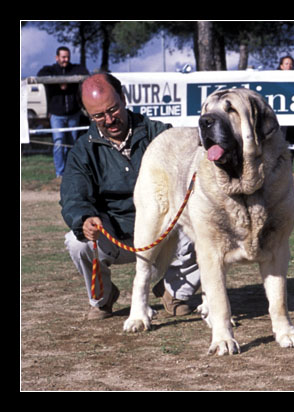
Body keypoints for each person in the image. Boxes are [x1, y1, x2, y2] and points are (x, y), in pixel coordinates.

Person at [60, 73, 201, 321]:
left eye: (113, 109)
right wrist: (84, 219)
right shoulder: (83, 149)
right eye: (99, 116)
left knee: (203, 228)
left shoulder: (160, 134)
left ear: (123, 98)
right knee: (77, 241)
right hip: (115, 234)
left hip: (163, 233)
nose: (109, 119)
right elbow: (73, 195)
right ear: (88, 115)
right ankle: (104, 298)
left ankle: (174, 291)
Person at [37, 46, 89, 178]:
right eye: (63, 57)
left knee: (72, 144)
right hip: (56, 115)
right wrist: (58, 81)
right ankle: (60, 174)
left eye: (67, 57)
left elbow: (85, 73)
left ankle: (71, 172)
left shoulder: (75, 68)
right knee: (59, 143)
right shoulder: (50, 69)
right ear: (57, 58)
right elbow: (40, 74)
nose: (66, 60)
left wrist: (68, 81)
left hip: (73, 113)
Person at [277, 55, 294, 163]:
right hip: (280, 117)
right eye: (286, 63)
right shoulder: (274, 79)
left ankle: (289, 166)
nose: (289, 66)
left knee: (293, 142)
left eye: (291, 64)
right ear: (281, 66)